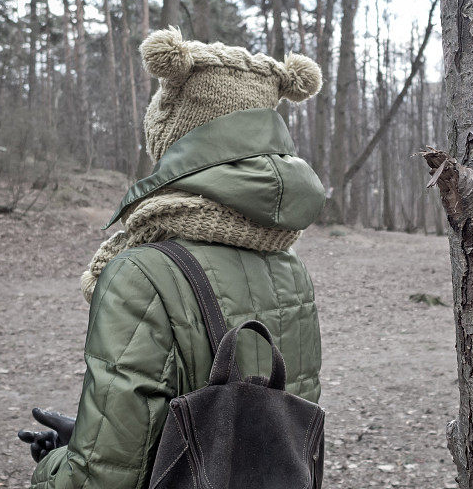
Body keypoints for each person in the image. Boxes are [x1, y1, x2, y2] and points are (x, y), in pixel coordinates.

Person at [18, 27, 325, 487]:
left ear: (174, 140)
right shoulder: (290, 268)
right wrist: (85, 436)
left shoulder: (141, 271)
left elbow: (103, 478)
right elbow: (290, 440)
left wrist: (56, 464)